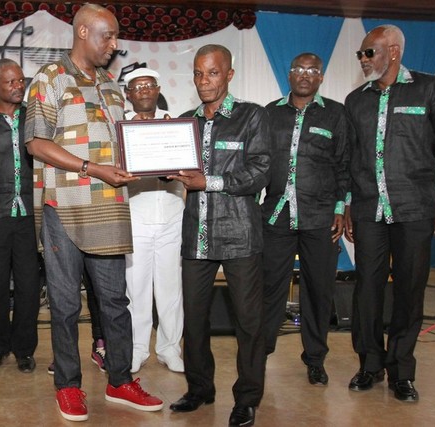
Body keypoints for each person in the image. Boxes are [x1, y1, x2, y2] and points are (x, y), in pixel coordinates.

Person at [24, 3, 163, 422]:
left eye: (116, 37)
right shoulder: (50, 78)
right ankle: (68, 385)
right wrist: (92, 168)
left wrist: (157, 158)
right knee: (66, 304)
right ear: (83, 32)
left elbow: (122, 144)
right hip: (63, 208)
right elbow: (36, 143)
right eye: (108, 36)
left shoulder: (110, 84)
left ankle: (120, 380)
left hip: (109, 208)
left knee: (115, 301)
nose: (114, 45)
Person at [344, 24, 435, 402]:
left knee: (410, 291)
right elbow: (348, 158)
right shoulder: (355, 100)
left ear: (394, 51)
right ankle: (369, 364)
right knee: (367, 290)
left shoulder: (432, 89)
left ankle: (401, 371)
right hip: (368, 209)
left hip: (414, 208)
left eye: (369, 52)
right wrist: (345, 205)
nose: (363, 60)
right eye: (360, 54)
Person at [167, 44, 270, 427]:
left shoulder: (251, 116)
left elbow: (261, 171)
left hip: (240, 233)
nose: (203, 80)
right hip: (197, 232)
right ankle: (199, 388)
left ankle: (247, 398)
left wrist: (208, 181)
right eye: (198, 73)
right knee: (194, 318)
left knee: (248, 322)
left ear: (229, 74)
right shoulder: (184, 122)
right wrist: (162, 164)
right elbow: (173, 167)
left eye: (212, 72)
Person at [261, 53, 350, 386]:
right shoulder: (270, 113)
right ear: (289, 74)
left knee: (318, 291)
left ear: (321, 77)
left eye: (312, 70)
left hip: (320, 217)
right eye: (298, 69)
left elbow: (345, 165)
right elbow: (258, 163)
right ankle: (260, 353)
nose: (304, 74)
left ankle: (315, 359)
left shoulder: (336, 114)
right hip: (276, 216)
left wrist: (341, 208)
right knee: (270, 288)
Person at [0, 59, 40, 373]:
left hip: (28, 212)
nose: (18, 86)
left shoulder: (33, 117)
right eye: (11, 82)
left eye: (21, 80)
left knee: (29, 284)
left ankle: (24, 349)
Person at [122, 67, 185, 374]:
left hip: (172, 212)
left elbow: (188, 166)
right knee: (136, 290)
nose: (144, 90)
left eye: (149, 85)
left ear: (158, 90)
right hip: (136, 214)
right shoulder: (120, 127)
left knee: (171, 289)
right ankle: (137, 349)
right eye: (138, 86)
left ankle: (170, 349)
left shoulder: (175, 124)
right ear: (128, 94)